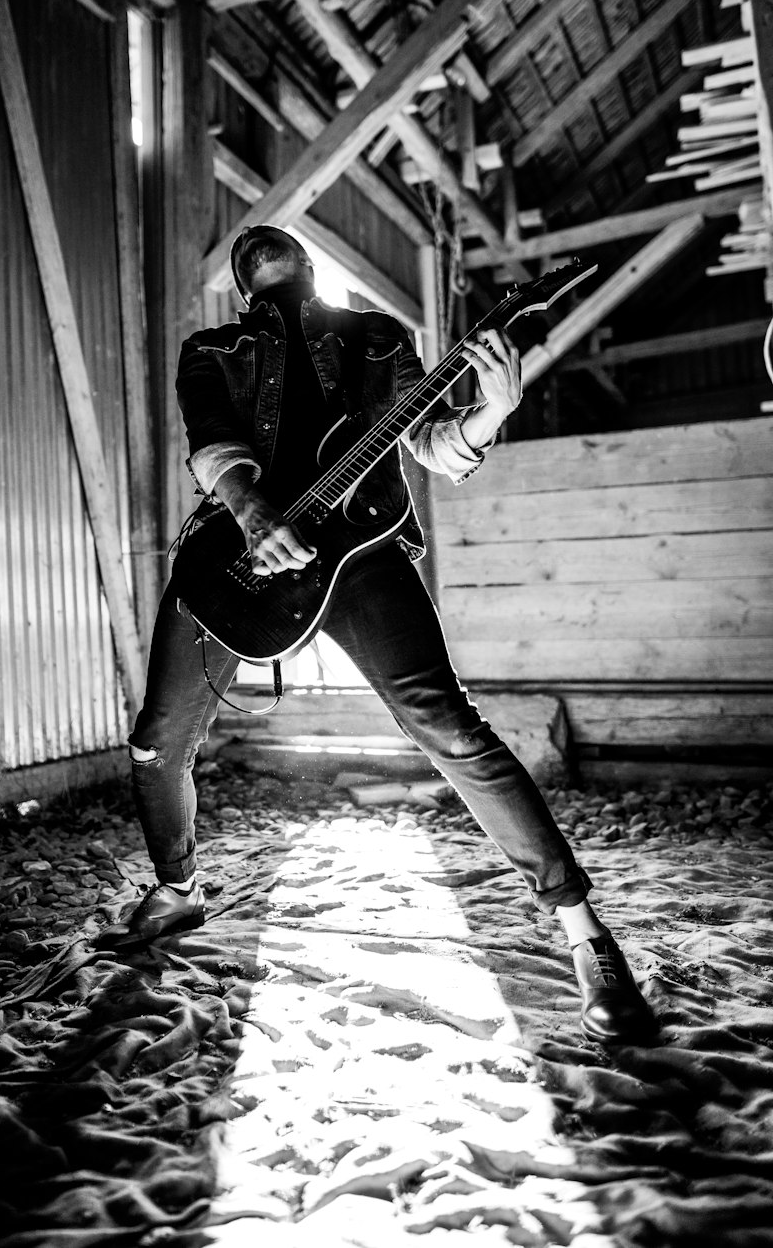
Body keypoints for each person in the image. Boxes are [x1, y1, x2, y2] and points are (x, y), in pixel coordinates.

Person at [115, 224, 655, 1044]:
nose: (265, 245)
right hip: (237, 554)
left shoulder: (375, 337)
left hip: (362, 553)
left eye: (282, 244)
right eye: (249, 249)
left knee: (451, 727)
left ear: (309, 263)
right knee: (157, 741)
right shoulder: (213, 347)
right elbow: (213, 445)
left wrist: (493, 412)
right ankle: (178, 885)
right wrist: (255, 511)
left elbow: (435, 445)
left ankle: (587, 937)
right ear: (240, 283)